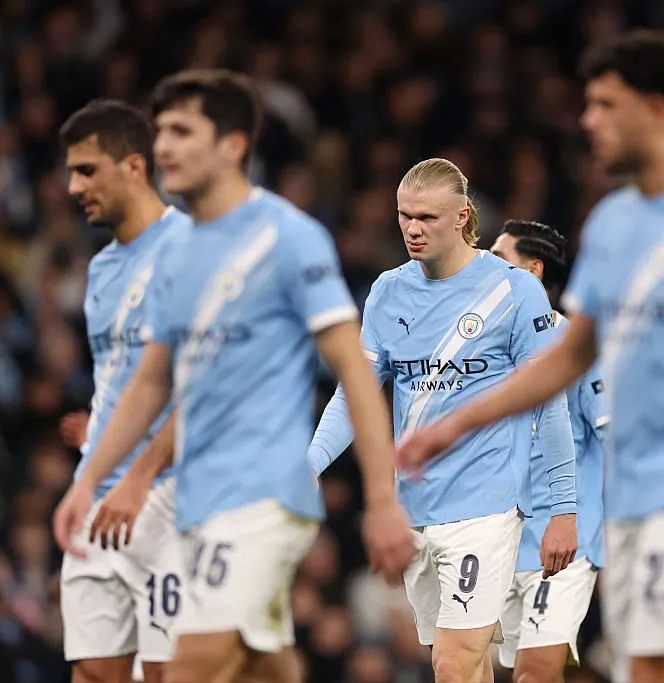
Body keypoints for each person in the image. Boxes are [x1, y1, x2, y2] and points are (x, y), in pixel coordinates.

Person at [396, 31, 664, 683]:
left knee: (655, 666)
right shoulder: (611, 225)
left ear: (656, 109)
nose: (587, 121)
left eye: (604, 104)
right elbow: (568, 355)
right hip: (632, 492)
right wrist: (458, 423)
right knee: (649, 670)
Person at [52, 69, 415, 683]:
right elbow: (148, 384)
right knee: (259, 664)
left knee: (190, 667)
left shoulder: (289, 237)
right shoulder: (177, 253)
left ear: (233, 146)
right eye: (160, 130)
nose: (164, 145)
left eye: (181, 130)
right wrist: (87, 481)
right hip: (196, 497)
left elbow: (354, 371)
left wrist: (382, 499)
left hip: (262, 494)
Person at [307, 157, 579, 683]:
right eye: (405, 215)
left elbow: (549, 402)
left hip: (487, 504)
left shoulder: (514, 290)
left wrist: (563, 509)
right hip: (412, 508)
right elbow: (354, 395)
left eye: (428, 217)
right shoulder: (387, 291)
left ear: (463, 217)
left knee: (451, 664)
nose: (412, 228)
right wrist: (311, 463)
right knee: (462, 666)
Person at [52, 99, 190, 683]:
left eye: (87, 170)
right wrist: (100, 435)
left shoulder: (192, 250)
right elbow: (121, 376)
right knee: (92, 672)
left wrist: (138, 476)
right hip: (99, 494)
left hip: (168, 497)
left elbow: (204, 390)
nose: (72, 185)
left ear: (134, 166)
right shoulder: (102, 270)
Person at [489, 220, 608, 683]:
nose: (483, 266)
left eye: (499, 258)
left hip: (564, 541)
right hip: (499, 540)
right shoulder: (488, 349)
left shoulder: (579, 346)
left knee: (535, 675)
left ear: (533, 272)